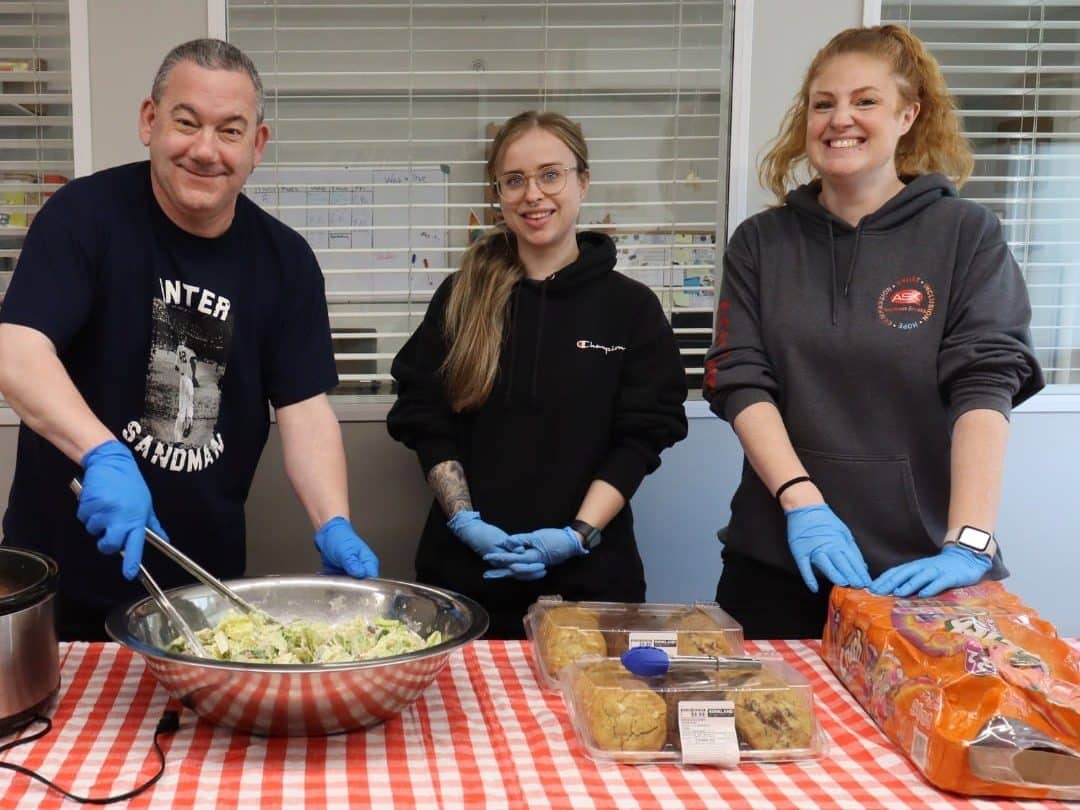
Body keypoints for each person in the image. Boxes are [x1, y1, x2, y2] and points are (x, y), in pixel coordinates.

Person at [0, 39, 378, 641]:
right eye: (186, 122)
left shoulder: (286, 261)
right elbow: (15, 349)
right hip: (57, 584)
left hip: (202, 588)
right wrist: (104, 454)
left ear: (257, 145)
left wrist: (332, 521)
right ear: (150, 121)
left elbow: (304, 410)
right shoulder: (83, 216)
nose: (206, 150)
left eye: (230, 131)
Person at [702, 25, 1044, 640]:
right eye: (823, 102)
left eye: (866, 101)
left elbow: (985, 387)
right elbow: (740, 380)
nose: (841, 119)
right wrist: (802, 501)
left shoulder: (966, 235)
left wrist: (969, 542)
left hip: (922, 567)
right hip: (780, 559)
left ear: (909, 113)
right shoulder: (761, 243)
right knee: (769, 731)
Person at [387, 110, 688, 639]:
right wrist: (464, 521)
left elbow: (642, 437)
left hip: (592, 583)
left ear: (583, 181)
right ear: (498, 192)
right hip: (464, 580)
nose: (533, 194)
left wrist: (577, 535)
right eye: (515, 180)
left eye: (551, 174)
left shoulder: (631, 309)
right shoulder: (461, 297)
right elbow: (423, 415)